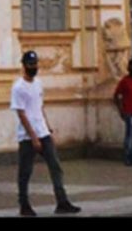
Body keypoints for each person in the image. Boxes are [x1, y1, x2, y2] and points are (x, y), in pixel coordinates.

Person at [10, 50, 80, 216]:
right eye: (30, 65)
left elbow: (40, 107)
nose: (33, 67)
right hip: (27, 136)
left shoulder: (38, 83)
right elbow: (21, 114)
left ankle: (62, 201)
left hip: (43, 132)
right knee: (25, 172)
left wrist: (47, 128)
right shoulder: (18, 87)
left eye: (35, 64)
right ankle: (24, 204)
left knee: (55, 166)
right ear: (24, 65)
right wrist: (33, 137)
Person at [113, 59, 132, 167]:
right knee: (130, 135)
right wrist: (121, 110)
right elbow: (116, 96)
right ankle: (128, 157)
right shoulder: (125, 81)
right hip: (129, 112)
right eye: (131, 66)